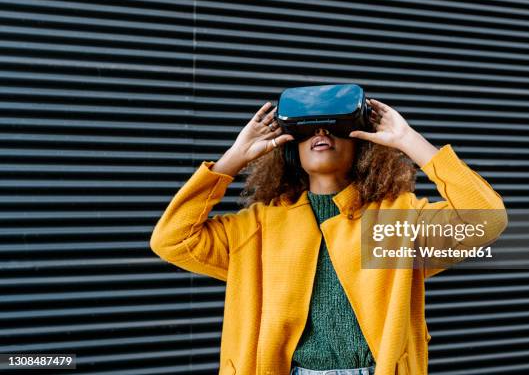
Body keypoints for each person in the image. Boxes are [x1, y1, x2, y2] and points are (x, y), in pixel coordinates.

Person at [150, 98, 508, 375]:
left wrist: (408, 140)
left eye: (335, 127)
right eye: (308, 130)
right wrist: (233, 159)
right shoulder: (259, 227)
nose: (321, 135)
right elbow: (171, 238)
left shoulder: (385, 225)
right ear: (290, 145)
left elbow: (485, 219)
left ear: (361, 144)